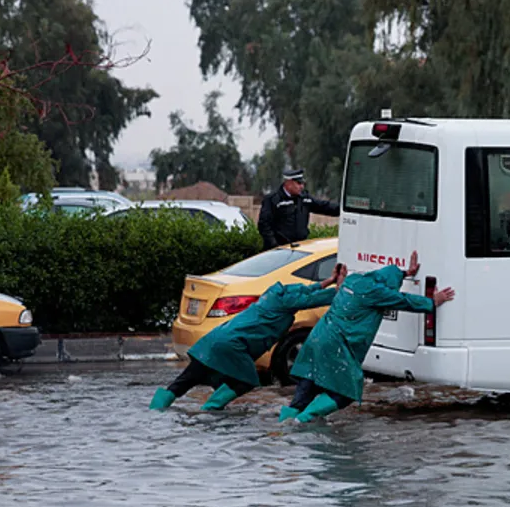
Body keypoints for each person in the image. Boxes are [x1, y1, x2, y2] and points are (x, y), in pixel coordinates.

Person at [279, 251, 456, 423]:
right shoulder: (377, 292)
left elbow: (386, 278)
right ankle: (305, 419)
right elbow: (404, 300)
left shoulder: (353, 279)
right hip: (337, 344)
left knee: (309, 381)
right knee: (347, 391)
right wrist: (433, 301)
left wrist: (405, 273)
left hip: (316, 338)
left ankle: (285, 423)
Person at [149, 262, 346, 411]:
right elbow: (312, 298)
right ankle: (210, 409)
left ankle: (155, 410)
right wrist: (341, 288)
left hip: (214, 339)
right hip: (234, 345)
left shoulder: (276, 293)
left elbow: (306, 291)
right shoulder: (286, 303)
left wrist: (328, 281)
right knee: (247, 380)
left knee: (187, 379)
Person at [258, 168, 341, 251]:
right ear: (288, 183)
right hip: (280, 251)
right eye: (299, 183)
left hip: (300, 249)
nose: (302, 186)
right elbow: (264, 225)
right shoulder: (273, 199)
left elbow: (324, 207)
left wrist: (344, 210)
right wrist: (274, 245)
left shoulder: (304, 198)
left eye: (303, 183)